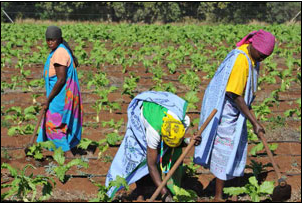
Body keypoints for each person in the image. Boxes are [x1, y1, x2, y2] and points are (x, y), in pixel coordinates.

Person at [194, 29, 275, 201]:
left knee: (236, 147)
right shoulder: (241, 60)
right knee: (224, 149)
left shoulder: (252, 58)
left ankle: (233, 192)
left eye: (265, 57)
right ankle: (218, 196)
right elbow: (234, 93)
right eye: (261, 55)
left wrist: (253, 120)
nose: (262, 59)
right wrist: (254, 121)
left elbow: (244, 93)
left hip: (236, 110)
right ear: (254, 45)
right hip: (226, 111)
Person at [105, 91, 201, 202]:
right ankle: (140, 192)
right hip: (144, 114)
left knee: (170, 153)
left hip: (163, 104)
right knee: (140, 156)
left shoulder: (184, 122)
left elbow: (177, 143)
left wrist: (189, 141)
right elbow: (151, 164)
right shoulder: (153, 132)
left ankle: (165, 186)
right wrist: (164, 192)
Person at [37, 25, 83, 158]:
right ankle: (67, 151)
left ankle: (67, 154)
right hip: (60, 94)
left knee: (54, 125)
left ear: (59, 39)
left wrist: (48, 99)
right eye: (48, 40)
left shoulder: (60, 53)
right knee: (59, 124)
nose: (50, 42)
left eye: (53, 40)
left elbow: (61, 79)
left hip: (60, 95)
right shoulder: (59, 50)